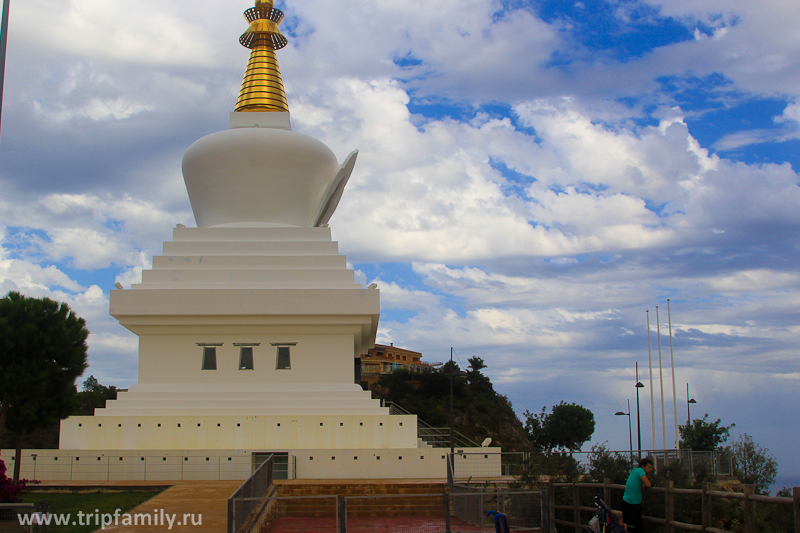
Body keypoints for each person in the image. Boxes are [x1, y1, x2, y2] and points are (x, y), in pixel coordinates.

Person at [621, 457, 653, 532]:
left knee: (631, 529)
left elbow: (641, 489)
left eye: (651, 467)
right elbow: (648, 484)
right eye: (649, 467)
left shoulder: (635, 470)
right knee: (638, 529)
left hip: (628, 504)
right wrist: (646, 484)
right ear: (643, 467)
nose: (651, 469)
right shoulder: (640, 470)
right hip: (630, 505)